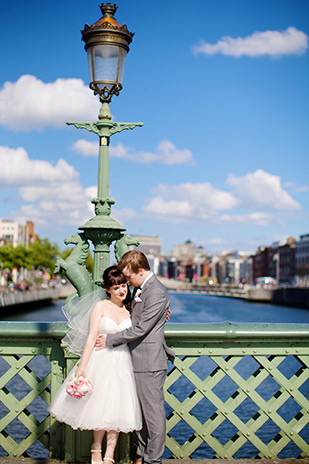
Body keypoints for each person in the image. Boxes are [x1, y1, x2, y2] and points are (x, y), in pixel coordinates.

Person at [49, 266, 142, 464]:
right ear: (107, 289)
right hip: (101, 360)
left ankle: (110, 454)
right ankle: (96, 448)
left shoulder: (129, 309)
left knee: (118, 408)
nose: (121, 290)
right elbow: (91, 337)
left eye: (124, 285)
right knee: (100, 406)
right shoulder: (100, 306)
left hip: (123, 362)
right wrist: (83, 366)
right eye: (116, 287)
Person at [96, 251, 175, 464]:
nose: (127, 282)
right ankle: (141, 456)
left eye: (129, 277)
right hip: (136, 359)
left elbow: (140, 328)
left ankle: (152, 459)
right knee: (140, 414)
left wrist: (110, 339)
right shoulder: (141, 289)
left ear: (141, 270)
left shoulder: (156, 292)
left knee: (153, 416)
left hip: (149, 362)